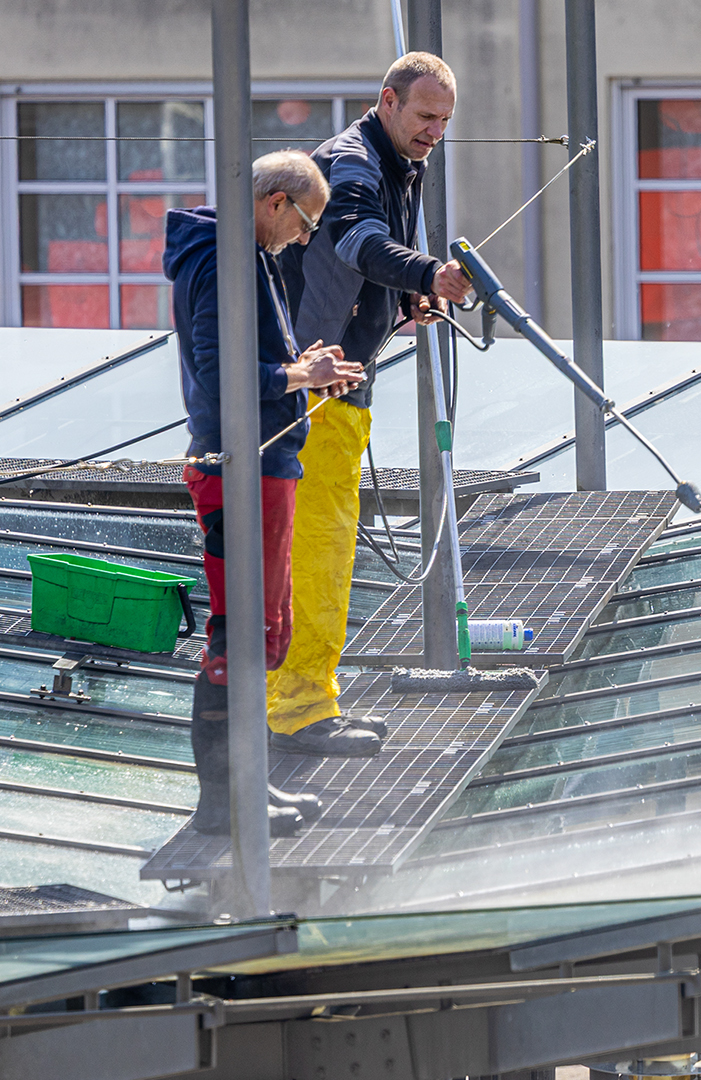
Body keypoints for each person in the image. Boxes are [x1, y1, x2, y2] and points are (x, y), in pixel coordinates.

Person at [270, 51, 473, 755]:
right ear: (387, 100)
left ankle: (306, 701)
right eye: (424, 116)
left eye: (444, 121)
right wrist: (429, 274)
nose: (434, 132)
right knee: (316, 554)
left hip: (333, 392)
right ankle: (297, 712)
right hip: (314, 396)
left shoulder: (397, 164)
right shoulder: (354, 167)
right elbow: (357, 240)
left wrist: (402, 300)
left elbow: (355, 266)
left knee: (323, 551)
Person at [164, 149, 369, 834]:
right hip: (240, 468)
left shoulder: (238, 254)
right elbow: (222, 374)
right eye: (307, 223)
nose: (306, 240)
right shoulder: (224, 259)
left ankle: (245, 787)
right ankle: (225, 803)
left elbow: (241, 363)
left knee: (263, 632)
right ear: (276, 202)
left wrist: (301, 368)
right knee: (241, 638)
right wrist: (303, 377)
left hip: (259, 463)